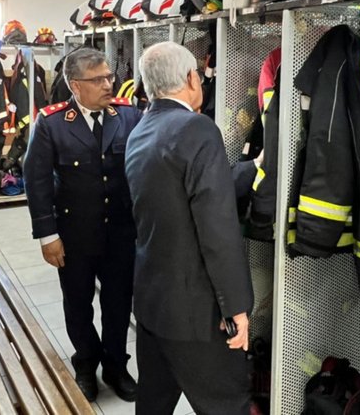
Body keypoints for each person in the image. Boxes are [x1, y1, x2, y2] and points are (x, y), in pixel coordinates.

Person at [125, 41, 255, 415]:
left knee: (153, 402)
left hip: (153, 302)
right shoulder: (198, 129)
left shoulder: (141, 130)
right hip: (196, 313)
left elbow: (175, 200)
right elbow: (217, 230)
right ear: (190, 79)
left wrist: (250, 167)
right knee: (227, 404)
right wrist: (237, 308)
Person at [24, 48, 142, 402]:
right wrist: (48, 235)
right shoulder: (52, 123)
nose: (108, 84)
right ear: (76, 86)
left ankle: (116, 365)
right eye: (98, 80)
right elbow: (38, 181)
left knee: (119, 303)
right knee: (78, 304)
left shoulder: (130, 116)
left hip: (120, 233)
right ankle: (86, 364)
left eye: (109, 77)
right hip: (74, 234)